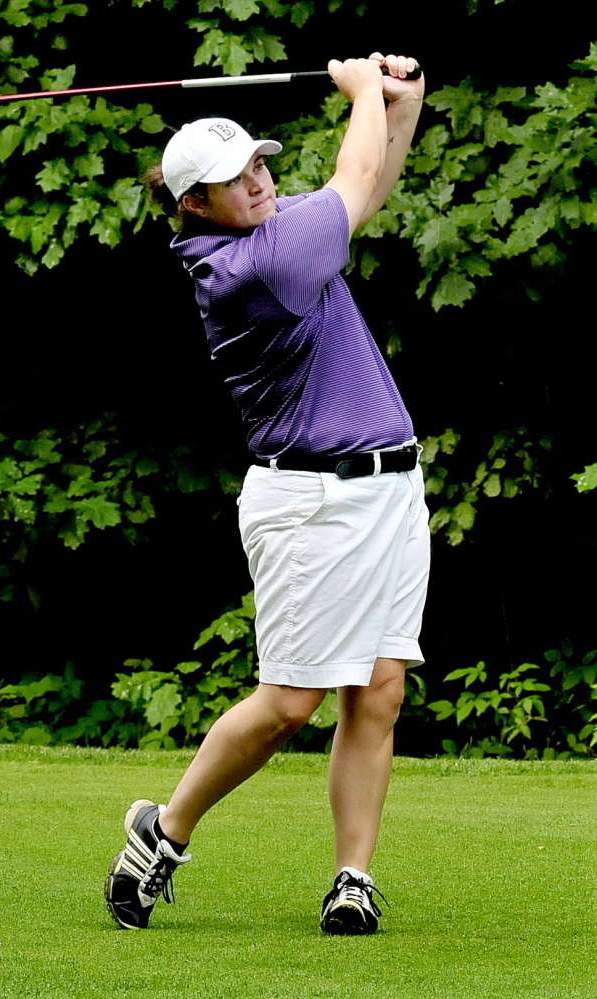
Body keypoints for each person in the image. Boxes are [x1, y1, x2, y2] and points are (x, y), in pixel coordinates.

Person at [104, 52, 429, 936]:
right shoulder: (255, 267)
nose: (254, 183)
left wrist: (400, 106)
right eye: (228, 179)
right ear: (191, 207)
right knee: (292, 701)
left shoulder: (277, 230)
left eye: (256, 164)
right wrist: (363, 95)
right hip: (309, 502)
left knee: (381, 688)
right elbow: (355, 177)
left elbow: (371, 182)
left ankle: (350, 877)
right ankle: (160, 833)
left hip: (390, 488)